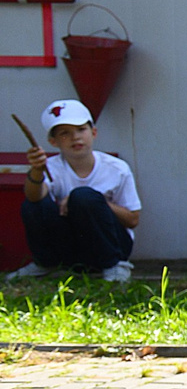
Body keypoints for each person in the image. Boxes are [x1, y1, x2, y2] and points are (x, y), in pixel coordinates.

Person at [12, 99, 139, 281]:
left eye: (81, 130)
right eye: (65, 133)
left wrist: (96, 202)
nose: (75, 138)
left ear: (93, 132)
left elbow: (133, 219)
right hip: (71, 247)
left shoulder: (117, 169)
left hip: (111, 245)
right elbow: (34, 197)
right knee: (33, 205)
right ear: (53, 142)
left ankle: (114, 265)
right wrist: (37, 170)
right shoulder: (52, 166)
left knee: (83, 196)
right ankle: (46, 263)